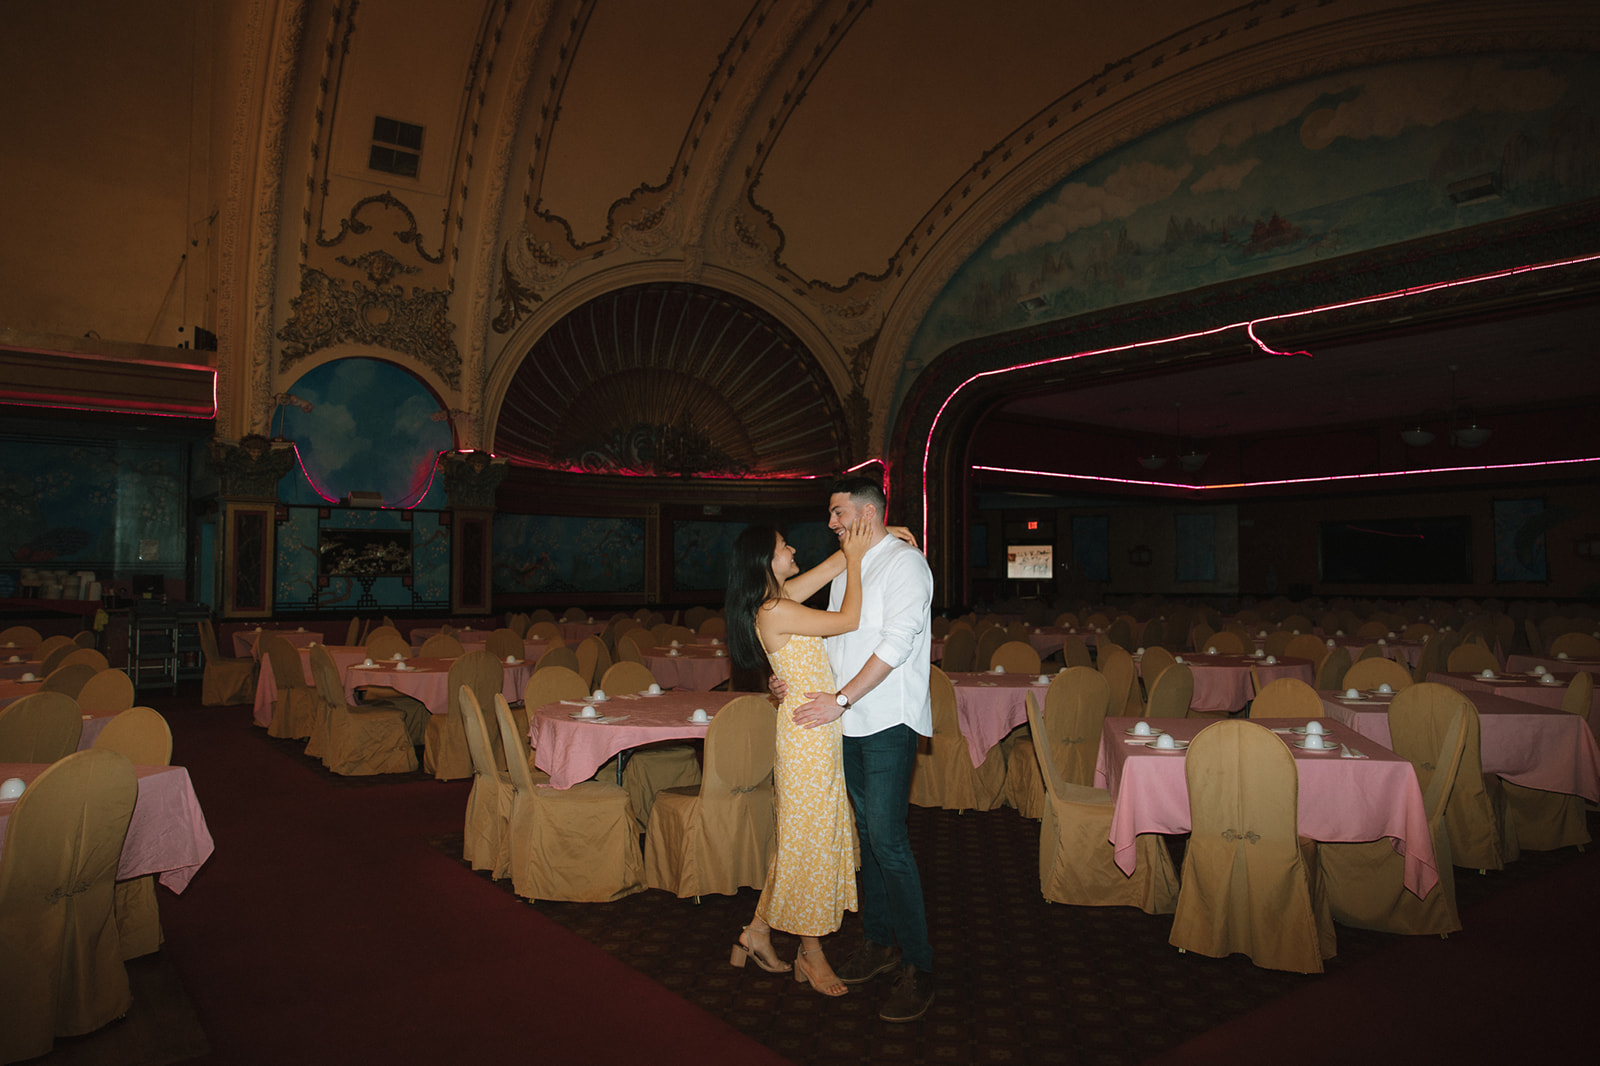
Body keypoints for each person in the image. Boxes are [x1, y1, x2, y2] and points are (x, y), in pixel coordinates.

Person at [791, 476, 936, 1024]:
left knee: (890, 841)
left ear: (867, 512)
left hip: (885, 721)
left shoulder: (906, 564)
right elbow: (838, 638)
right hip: (846, 722)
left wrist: (842, 698)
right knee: (870, 839)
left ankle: (920, 966)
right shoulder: (852, 564)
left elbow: (896, 645)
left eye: (836, 513)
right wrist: (800, 681)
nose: (830, 524)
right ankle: (877, 942)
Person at [725, 517, 870, 995]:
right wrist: (856, 556)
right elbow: (848, 619)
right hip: (807, 737)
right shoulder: (775, 610)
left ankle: (757, 933)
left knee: (801, 840)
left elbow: (829, 568)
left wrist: (869, 537)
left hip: (814, 730)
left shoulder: (779, 602)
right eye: (785, 546)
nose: (793, 551)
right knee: (806, 843)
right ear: (767, 561)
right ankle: (811, 954)